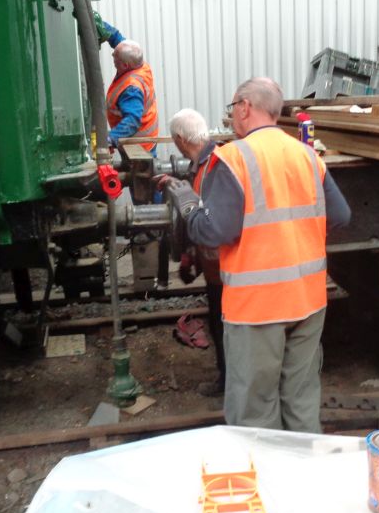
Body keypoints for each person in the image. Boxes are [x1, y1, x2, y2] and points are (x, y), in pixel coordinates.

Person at [166, 77, 351, 433]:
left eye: (232, 107)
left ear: (245, 107)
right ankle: (302, 475)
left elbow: (213, 231)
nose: (231, 115)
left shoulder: (233, 158)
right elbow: (341, 216)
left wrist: (189, 206)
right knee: (301, 399)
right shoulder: (308, 155)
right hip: (309, 301)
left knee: (255, 410)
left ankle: (264, 481)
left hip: (257, 308)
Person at [158, 109, 225, 396]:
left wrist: (191, 254)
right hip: (215, 268)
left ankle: (228, 384)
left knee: (225, 330)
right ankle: (227, 378)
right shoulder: (204, 164)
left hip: (225, 271)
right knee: (220, 326)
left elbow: (210, 220)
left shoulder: (215, 167)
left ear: (180, 140)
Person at [99, 22, 159, 155]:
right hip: (142, 139)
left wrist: (110, 138)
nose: (112, 56)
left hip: (139, 147)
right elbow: (119, 41)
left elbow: (132, 122)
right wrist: (101, 25)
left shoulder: (131, 89)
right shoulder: (139, 63)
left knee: (140, 175)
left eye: (115, 57)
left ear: (125, 65)